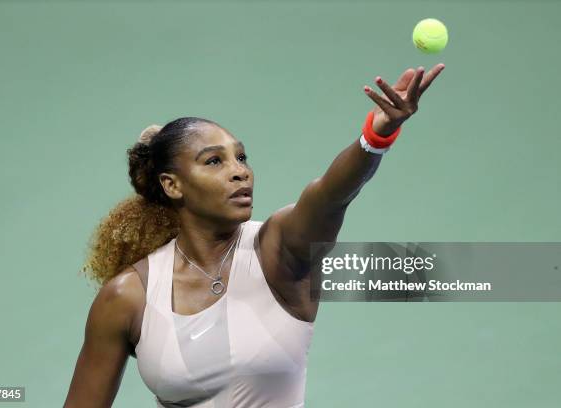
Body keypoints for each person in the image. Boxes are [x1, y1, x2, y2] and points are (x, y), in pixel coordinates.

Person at [63, 63, 445, 408]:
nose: (240, 172)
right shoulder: (127, 296)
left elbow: (329, 196)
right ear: (172, 185)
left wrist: (374, 138)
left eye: (241, 157)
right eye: (214, 161)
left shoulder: (279, 250)